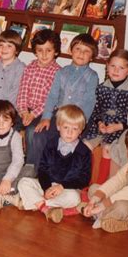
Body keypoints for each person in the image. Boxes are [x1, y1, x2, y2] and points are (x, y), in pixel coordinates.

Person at [30, 34, 99, 172]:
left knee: (66, 141)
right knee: (39, 134)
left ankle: (58, 174)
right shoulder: (61, 72)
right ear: (71, 51)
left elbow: (89, 102)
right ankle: (36, 170)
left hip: (78, 119)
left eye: (86, 51)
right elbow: (52, 96)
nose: (81, 53)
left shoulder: (92, 76)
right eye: (78, 49)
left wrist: (79, 125)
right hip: (59, 115)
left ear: (92, 57)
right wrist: (46, 118)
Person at [17, 105, 91, 223]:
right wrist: (46, 188)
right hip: (47, 186)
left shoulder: (84, 152)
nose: (69, 132)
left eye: (75, 129)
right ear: (58, 126)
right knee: (23, 182)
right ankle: (45, 208)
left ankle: (35, 203)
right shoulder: (51, 144)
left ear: (81, 130)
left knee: (75, 198)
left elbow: (84, 179)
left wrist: (62, 186)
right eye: (66, 127)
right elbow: (42, 169)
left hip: (66, 189)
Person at [83, 49, 128, 183]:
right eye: (113, 66)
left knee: (108, 148)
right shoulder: (101, 88)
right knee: (84, 145)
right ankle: (83, 181)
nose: (116, 70)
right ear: (107, 66)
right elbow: (96, 110)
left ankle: (101, 184)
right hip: (100, 127)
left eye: (121, 67)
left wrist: (118, 126)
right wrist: (99, 123)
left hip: (120, 130)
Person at [16, 29, 61, 167]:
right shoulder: (30, 67)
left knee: (32, 131)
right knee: (7, 124)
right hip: (26, 110)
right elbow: (22, 91)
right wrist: (23, 111)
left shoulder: (58, 72)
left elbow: (52, 99)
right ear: (35, 51)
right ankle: (12, 162)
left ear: (56, 52)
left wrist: (33, 114)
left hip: (45, 112)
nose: (44, 54)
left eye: (48, 50)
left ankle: (31, 167)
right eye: (40, 50)